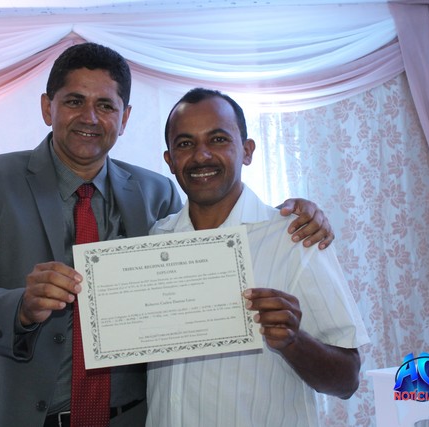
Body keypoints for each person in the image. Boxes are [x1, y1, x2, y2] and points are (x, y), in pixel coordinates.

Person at [0, 43, 335, 427]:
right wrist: (21, 307)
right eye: (74, 101)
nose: (90, 117)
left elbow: (211, 244)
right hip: (10, 415)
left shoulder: (157, 193)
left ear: (124, 118)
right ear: (46, 107)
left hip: (127, 418)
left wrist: (292, 212)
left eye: (105, 105)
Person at [145, 88, 370, 427]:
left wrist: (294, 341)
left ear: (247, 151)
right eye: (186, 143)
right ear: (170, 160)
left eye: (218, 139)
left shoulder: (295, 238)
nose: (201, 155)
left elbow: (347, 380)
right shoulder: (155, 240)